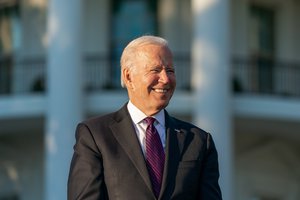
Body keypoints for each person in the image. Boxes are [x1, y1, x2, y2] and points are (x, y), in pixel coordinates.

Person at [67, 35, 222, 200]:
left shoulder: (198, 141)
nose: (166, 79)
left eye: (170, 70)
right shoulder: (95, 135)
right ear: (128, 77)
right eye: (155, 70)